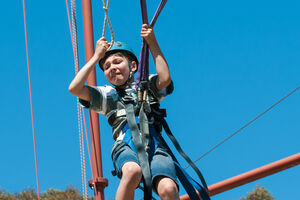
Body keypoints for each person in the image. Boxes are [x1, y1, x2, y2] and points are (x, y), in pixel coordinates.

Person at [69, 24, 179, 200]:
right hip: (126, 144)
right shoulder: (107, 95)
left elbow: (165, 79)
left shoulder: (146, 86)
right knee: (132, 171)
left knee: (168, 188)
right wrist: (96, 56)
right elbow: (75, 88)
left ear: (133, 66)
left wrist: (152, 42)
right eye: (106, 66)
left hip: (154, 145)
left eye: (117, 62)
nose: (112, 67)